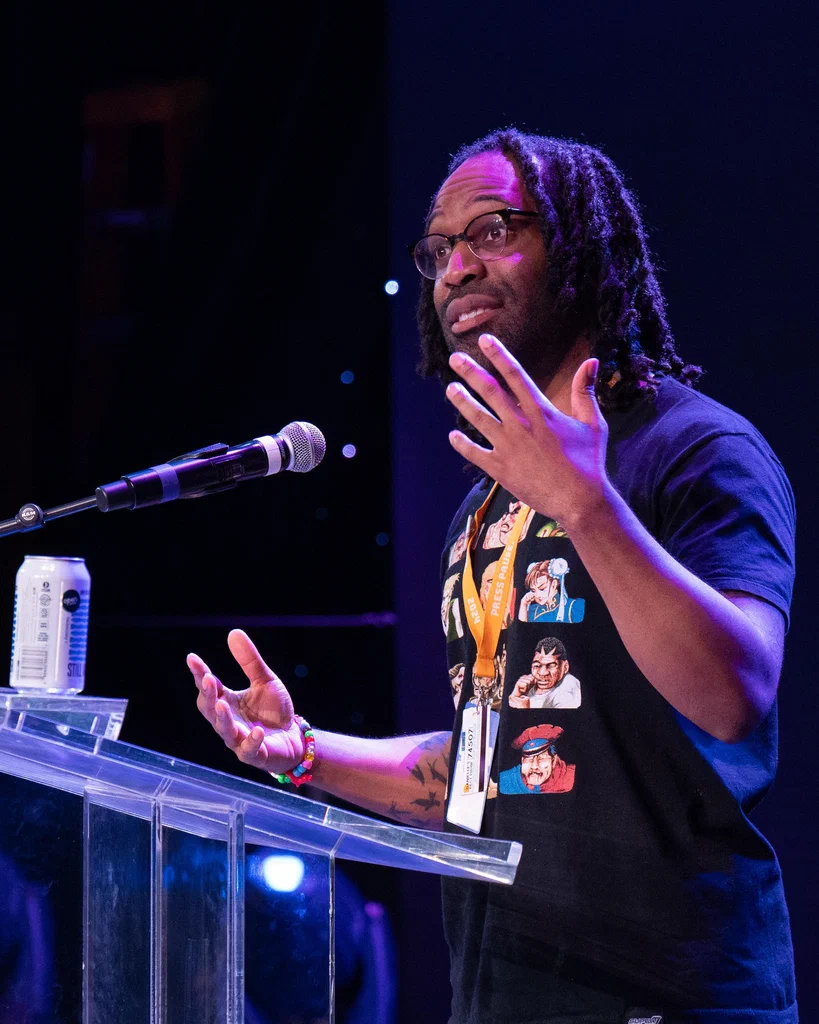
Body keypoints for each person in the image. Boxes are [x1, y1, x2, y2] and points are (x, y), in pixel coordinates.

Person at [190, 129, 797, 1023]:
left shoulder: (696, 449)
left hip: (668, 993)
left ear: (580, 249)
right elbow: (490, 771)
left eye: (492, 231)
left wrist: (584, 505)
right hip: (506, 989)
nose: (456, 269)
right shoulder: (488, 502)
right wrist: (306, 753)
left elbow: (733, 695)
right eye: (439, 249)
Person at [497, 724, 576, 794]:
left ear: (553, 760)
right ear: (522, 761)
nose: (534, 766)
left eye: (542, 758)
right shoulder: (506, 781)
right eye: (529, 759)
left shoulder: (571, 778)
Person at [508, 637, 581, 709]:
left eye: (551, 666)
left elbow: (564, 716)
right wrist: (516, 695)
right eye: (537, 665)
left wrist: (524, 710)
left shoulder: (567, 689)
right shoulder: (530, 681)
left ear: (565, 667)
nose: (542, 673)